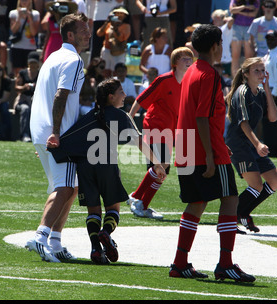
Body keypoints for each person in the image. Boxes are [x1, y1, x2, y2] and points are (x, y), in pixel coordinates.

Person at [48, 78, 166, 264]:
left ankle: (96, 248)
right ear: (111, 97)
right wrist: (157, 164)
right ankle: (106, 232)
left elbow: (69, 138)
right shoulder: (120, 115)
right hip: (107, 166)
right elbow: (139, 141)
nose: (124, 95)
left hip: (85, 168)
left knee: (93, 210)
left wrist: (54, 149)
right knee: (113, 208)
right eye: (121, 92)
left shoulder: (90, 115)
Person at [171, 24, 255, 282]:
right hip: (202, 150)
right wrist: (210, 153)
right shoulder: (209, 74)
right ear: (216, 46)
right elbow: (202, 117)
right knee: (230, 198)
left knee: (196, 203)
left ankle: (180, 262)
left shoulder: (191, 71)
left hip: (186, 146)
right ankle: (226, 263)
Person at [26, 13, 91, 263]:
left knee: (71, 187)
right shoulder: (73, 59)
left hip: (43, 131)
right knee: (63, 188)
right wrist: (55, 132)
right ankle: (40, 238)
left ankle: (55, 241)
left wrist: (44, 135)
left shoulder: (53, 56)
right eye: (83, 30)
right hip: (57, 133)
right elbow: (60, 96)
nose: (88, 33)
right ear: (70, 35)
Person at [127, 47, 194, 219]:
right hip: (154, 126)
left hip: (170, 130)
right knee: (160, 165)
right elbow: (140, 99)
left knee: (162, 168)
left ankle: (139, 201)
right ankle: (138, 201)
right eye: (184, 58)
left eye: (190, 58)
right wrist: (129, 119)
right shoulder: (163, 80)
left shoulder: (189, 83)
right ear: (174, 63)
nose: (188, 61)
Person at [225, 57, 277, 233]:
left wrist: (266, 88)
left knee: (275, 180)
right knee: (256, 185)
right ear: (245, 74)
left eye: (262, 70)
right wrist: (258, 144)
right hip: (238, 144)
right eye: (256, 70)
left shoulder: (260, 92)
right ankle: (230, 219)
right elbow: (243, 123)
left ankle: (243, 213)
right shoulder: (242, 92)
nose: (261, 74)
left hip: (251, 143)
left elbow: (273, 117)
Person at [96, 7, 131, 78]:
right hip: (106, 50)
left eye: (121, 14)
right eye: (117, 13)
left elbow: (121, 38)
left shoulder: (126, 26)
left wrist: (115, 28)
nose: (119, 15)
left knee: (116, 72)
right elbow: (99, 33)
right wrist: (107, 22)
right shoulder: (109, 24)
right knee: (105, 71)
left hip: (118, 52)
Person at [9, 0, 40, 77]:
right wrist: (19, 18)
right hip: (17, 46)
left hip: (30, 46)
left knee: (30, 70)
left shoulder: (35, 14)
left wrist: (29, 17)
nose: (24, 1)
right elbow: (13, 30)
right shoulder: (13, 13)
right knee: (17, 72)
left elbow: (34, 33)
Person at [14, 51, 40, 142]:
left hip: (36, 101)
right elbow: (16, 87)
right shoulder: (22, 73)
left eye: (34, 63)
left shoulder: (41, 74)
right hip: (23, 100)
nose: (32, 65)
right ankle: (24, 135)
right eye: (31, 62)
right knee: (25, 109)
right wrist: (24, 87)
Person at [229, 0, 260, 77]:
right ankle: (235, 79)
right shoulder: (235, 0)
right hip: (236, 27)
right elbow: (232, 10)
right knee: (235, 55)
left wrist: (239, 11)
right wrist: (245, 7)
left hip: (249, 27)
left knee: (248, 56)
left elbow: (253, 14)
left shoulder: (256, 1)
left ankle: (247, 78)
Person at [211, 9, 234, 78]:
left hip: (225, 60)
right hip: (216, 61)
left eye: (214, 20)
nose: (213, 22)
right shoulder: (215, 29)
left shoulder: (225, 28)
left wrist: (224, 18)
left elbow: (231, 20)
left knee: (225, 81)